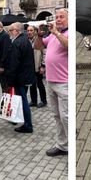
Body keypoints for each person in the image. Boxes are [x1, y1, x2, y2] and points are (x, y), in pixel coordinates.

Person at [35, 9, 69, 157]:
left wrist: (55, 32)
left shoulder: (66, 34)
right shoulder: (52, 36)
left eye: (62, 17)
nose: (58, 19)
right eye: (57, 17)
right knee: (57, 115)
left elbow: (68, 45)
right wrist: (39, 34)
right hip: (51, 81)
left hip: (64, 83)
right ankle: (62, 145)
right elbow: (38, 46)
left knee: (66, 116)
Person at [4, 22, 36, 133]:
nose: (9, 32)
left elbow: (14, 64)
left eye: (11, 30)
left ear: (17, 31)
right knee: (23, 100)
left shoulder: (17, 43)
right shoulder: (25, 40)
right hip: (25, 76)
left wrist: (10, 81)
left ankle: (28, 125)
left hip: (20, 77)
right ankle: (24, 122)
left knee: (23, 100)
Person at [26, 25, 47, 108]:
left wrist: (43, 66)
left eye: (31, 30)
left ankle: (43, 101)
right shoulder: (26, 40)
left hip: (38, 66)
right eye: (28, 31)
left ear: (35, 31)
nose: (29, 32)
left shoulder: (40, 40)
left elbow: (45, 53)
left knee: (40, 84)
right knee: (32, 85)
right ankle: (33, 101)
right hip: (29, 67)